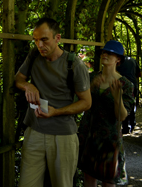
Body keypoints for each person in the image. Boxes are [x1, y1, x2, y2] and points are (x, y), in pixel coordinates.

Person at [15, 17, 91, 187]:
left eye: (44, 39)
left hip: (63, 135)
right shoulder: (34, 55)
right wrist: (28, 86)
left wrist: (56, 111)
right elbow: (18, 80)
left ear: (57, 38)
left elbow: (86, 102)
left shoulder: (74, 64)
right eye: (35, 40)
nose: (39, 45)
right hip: (34, 131)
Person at [78, 40, 134, 186]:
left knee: (109, 182)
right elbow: (80, 104)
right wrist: (90, 88)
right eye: (104, 52)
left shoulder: (126, 85)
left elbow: (121, 116)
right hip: (89, 135)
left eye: (110, 53)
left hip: (110, 140)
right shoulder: (91, 78)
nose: (105, 54)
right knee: (88, 179)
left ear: (118, 59)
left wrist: (117, 99)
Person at [116, 56, 141, 134]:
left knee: (123, 105)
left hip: (122, 85)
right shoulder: (133, 60)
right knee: (131, 104)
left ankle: (125, 127)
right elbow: (139, 74)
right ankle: (132, 125)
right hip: (133, 85)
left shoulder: (117, 61)